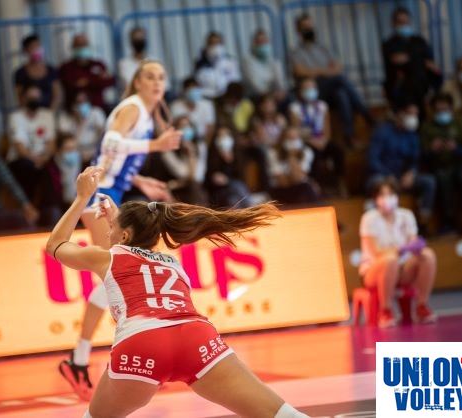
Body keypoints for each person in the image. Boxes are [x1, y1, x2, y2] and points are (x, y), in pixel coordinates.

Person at [46, 165, 309, 418]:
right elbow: (132, 247)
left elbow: (56, 244)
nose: (107, 234)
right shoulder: (172, 263)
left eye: (111, 229)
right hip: (195, 338)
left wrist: (82, 198)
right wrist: (119, 221)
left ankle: (79, 359)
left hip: (142, 343)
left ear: (124, 236)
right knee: (280, 414)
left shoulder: (106, 256)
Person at [58, 60, 182, 400]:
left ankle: (79, 359)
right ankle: (87, 358)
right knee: (114, 271)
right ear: (137, 82)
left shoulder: (146, 115)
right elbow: (110, 146)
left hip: (111, 191)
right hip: (100, 193)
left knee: (112, 276)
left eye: (161, 77)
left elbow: (114, 160)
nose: (156, 82)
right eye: (150, 76)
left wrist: (139, 180)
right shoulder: (133, 108)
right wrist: (154, 147)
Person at [359, 177, 437, 328]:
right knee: (390, 259)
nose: (387, 198)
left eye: (390, 194)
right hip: (374, 270)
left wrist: (416, 246)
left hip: (402, 269)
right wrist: (399, 249)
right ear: (376, 199)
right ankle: (385, 310)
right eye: (382, 195)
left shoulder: (406, 215)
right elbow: (377, 252)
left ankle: (421, 306)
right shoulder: (369, 218)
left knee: (428, 255)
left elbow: (413, 243)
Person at [291, 14, 372, 145]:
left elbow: (338, 67)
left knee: (341, 93)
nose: (309, 29)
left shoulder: (323, 48)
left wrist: (316, 71)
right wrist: (326, 71)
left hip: (331, 87)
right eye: (305, 27)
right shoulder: (296, 52)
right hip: (315, 90)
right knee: (340, 80)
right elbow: (300, 71)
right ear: (298, 30)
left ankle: (348, 135)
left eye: (310, 26)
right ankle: (365, 113)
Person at [368, 100, 436, 226]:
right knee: (378, 183)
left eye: (416, 114)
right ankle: (384, 225)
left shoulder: (413, 135)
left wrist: (411, 173)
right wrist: (388, 176)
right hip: (383, 175)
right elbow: (373, 160)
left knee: (429, 182)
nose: (413, 118)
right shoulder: (382, 132)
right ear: (400, 114)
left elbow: (415, 160)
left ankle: (423, 223)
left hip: (403, 177)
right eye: (410, 114)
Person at [420, 93, 462, 230]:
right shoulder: (427, 127)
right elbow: (421, 154)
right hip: (439, 165)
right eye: (438, 110)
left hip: (461, 164)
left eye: (445, 109)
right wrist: (432, 149)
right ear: (433, 111)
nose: (442, 113)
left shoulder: (460, 122)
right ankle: (448, 221)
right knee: (442, 178)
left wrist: (457, 149)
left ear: (451, 108)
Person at [289, 77, 345, 197]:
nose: (310, 91)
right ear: (300, 91)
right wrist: (312, 141)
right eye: (307, 88)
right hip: (306, 142)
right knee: (312, 153)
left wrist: (323, 141)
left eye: (312, 88)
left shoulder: (322, 106)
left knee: (338, 150)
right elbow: (297, 131)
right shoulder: (295, 108)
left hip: (322, 140)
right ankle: (318, 188)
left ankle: (339, 184)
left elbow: (327, 130)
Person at [382, 6, 441, 111]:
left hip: (422, 82)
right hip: (402, 85)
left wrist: (411, 58)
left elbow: (429, 62)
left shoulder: (419, 41)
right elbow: (396, 60)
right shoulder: (389, 43)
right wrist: (418, 58)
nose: (404, 25)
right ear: (393, 23)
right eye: (400, 22)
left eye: (406, 22)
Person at [7, 84, 56, 199]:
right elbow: (20, 147)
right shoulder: (15, 117)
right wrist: (36, 160)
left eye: (37, 98)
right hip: (22, 159)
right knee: (28, 168)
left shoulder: (47, 115)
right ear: (23, 98)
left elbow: (51, 143)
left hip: (43, 158)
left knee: (52, 169)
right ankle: (29, 203)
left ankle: (50, 206)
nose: (34, 101)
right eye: (31, 98)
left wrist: (43, 159)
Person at [155, 116, 209, 205]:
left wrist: (191, 154)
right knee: (194, 190)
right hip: (177, 191)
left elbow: (197, 177)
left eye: (188, 126)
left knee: (195, 188)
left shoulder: (200, 146)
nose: (186, 130)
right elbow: (182, 173)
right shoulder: (168, 149)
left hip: (192, 188)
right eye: (182, 126)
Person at [59, 33, 116, 109]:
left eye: (84, 44)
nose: (82, 47)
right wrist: (97, 79)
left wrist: (88, 82)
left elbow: (111, 80)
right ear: (73, 47)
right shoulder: (66, 67)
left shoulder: (98, 64)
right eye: (78, 45)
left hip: (98, 107)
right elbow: (70, 86)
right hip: (74, 110)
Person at [267, 126, 319, 206]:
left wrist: (292, 157)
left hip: (299, 188)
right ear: (283, 140)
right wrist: (290, 155)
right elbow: (283, 182)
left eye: (295, 139)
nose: (293, 143)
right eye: (290, 139)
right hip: (280, 189)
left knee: (307, 188)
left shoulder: (307, 152)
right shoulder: (273, 153)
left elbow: (298, 178)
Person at [205, 126, 255, 208]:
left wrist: (229, 162)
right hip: (219, 191)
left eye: (226, 135)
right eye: (220, 136)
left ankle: (249, 209)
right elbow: (208, 180)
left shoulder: (237, 154)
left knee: (234, 200)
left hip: (234, 190)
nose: (223, 139)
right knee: (236, 189)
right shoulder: (211, 155)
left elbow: (241, 178)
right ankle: (251, 207)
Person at [39, 133, 82, 226]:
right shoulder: (49, 168)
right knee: (54, 213)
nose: (72, 153)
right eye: (67, 149)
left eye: (74, 149)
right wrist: (70, 202)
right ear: (59, 151)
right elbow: (49, 198)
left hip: (75, 204)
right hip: (58, 205)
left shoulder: (81, 167)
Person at [57, 90, 106, 167]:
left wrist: (94, 152)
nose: (82, 105)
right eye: (79, 102)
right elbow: (66, 141)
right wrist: (79, 121)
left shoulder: (96, 112)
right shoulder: (66, 116)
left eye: (84, 101)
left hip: (94, 150)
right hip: (74, 152)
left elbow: (103, 134)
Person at [249, 94, 287, 192]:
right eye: (266, 104)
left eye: (271, 104)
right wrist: (276, 144)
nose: (269, 106)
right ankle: (272, 185)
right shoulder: (256, 120)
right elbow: (263, 139)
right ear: (260, 106)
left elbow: (285, 134)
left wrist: (280, 143)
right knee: (271, 153)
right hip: (265, 146)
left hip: (279, 145)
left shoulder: (280, 118)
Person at [13, 34, 62, 110]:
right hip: (29, 113)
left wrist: (50, 112)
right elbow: (19, 98)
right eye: (33, 47)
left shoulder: (51, 70)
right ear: (26, 50)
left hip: (49, 112)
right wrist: (28, 97)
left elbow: (57, 95)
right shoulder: (20, 73)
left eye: (38, 46)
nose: (37, 49)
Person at [194, 32, 242, 99]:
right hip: (209, 97)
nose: (215, 46)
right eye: (212, 43)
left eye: (218, 43)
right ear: (207, 45)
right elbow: (199, 84)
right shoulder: (200, 64)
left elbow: (235, 80)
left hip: (228, 97)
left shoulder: (231, 61)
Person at [242, 29, 287, 99]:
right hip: (257, 97)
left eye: (266, 42)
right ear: (254, 44)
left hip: (275, 95)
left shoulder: (273, 60)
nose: (264, 45)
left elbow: (281, 82)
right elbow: (256, 86)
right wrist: (271, 95)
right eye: (261, 42)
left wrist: (281, 91)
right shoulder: (248, 61)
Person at [170, 77, 216, 143]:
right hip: (181, 141)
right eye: (190, 89)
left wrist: (204, 145)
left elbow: (210, 128)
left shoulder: (207, 105)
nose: (194, 91)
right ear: (184, 91)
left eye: (196, 88)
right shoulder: (175, 106)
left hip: (201, 140)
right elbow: (173, 127)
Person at [118, 27, 149, 92]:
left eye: (141, 39)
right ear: (131, 42)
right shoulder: (124, 64)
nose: (139, 41)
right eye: (136, 39)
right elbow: (126, 88)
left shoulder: (155, 61)